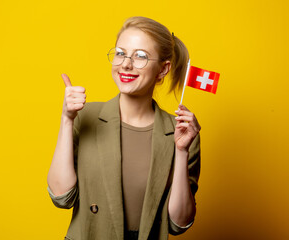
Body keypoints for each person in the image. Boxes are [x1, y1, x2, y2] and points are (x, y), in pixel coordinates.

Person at [47, 16, 201, 240]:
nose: (126, 64)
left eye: (141, 56)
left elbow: (179, 223)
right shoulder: (85, 116)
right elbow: (61, 197)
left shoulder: (182, 132)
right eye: (120, 53)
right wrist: (66, 119)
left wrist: (181, 151)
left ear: (163, 69)